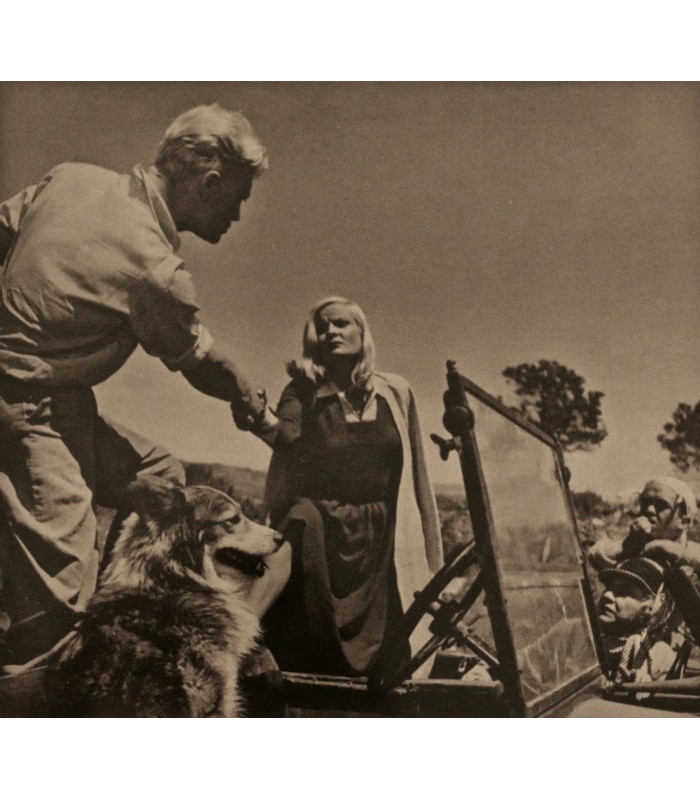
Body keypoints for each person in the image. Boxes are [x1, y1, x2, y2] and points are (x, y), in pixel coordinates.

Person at [0, 104, 276, 669]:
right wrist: (249, 398)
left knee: (162, 480)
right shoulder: (154, 267)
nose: (238, 215)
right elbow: (201, 361)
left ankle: (118, 617)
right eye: (238, 198)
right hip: (27, 410)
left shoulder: (71, 177)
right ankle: (40, 679)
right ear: (209, 183)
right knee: (60, 589)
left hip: (64, 404)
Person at [248, 296, 443, 676]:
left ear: (362, 332)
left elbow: (415, 468)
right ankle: (240, 633)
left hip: (381, 530)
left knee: (398, 650)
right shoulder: (303, 390)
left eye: (341, 323)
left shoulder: (395, 391)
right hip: (323, 523)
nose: (331, 332)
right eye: (323, 327)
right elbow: (285, 435)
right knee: (300, 520)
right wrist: (259, 416)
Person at [588, 476, 699, 574]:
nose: (650, 509)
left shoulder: (693, 551)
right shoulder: (635, 544)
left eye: (661, 505)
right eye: (645, 502)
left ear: (684, 522)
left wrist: (663, 547)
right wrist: (628, 545)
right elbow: (595, 555)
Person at [596, 556, 679, 682]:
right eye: (608, 588)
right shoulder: (589, 642)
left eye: (623, 592)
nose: (607, 595)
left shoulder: (658, 655)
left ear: (651, 607)